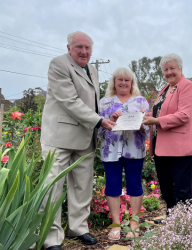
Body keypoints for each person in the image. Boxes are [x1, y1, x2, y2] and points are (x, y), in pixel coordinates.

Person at [40, 31, 116, 250]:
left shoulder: (92, 69)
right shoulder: (58, 65)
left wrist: (106, 116)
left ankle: (79, 228)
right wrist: (100, 121)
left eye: (88, 48)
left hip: (85, 137)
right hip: (59, 138)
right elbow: (69, 101)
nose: (84, 52)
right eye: (79, 47)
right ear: (68, 48)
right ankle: (51, 238)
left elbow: (91, 103)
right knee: (53, 187)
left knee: (82, 186)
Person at [142, 53, 192, 215]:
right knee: (167, 189)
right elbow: (160, 111)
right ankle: (172, 221)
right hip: (162, 147)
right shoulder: (165, 89)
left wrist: (156, 121)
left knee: (182, 191)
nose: (169, 72)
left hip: (180, 148)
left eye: (172, 68)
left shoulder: (187, 86)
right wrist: (147, 116)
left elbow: (184, 115)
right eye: (165, 69)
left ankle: (187, 226)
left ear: (180, 68)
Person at [98, 67, 150, 240]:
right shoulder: (104, 102)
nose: (123, 83)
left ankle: (134, 224)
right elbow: (98, 129)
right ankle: (115, 225)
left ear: (131, 82)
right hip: (110, 149)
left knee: (135, 185)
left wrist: (140, 123)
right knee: (112, 185)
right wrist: (110, 121)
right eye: (119, 79)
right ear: (114, 82)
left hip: (133, 149)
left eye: (127, 80)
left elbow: (148, 129)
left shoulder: (141, 101)